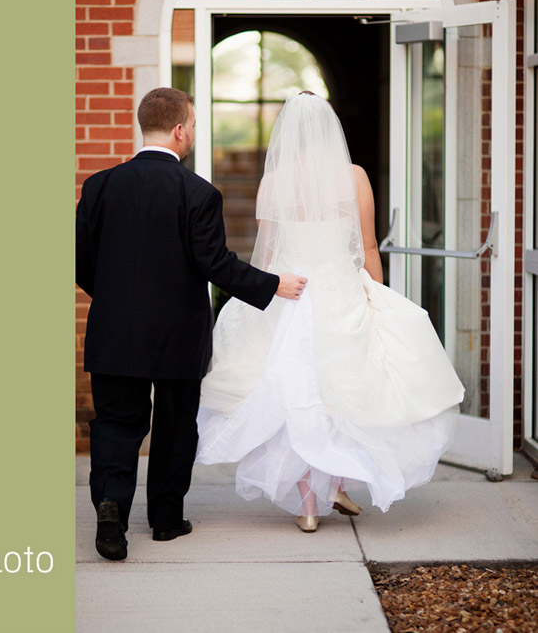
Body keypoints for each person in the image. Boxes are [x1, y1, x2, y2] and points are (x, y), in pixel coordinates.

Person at [195, 91, 464, 532]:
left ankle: (308, 505)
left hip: (289, 295)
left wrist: (261, 297)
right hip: (340, 292)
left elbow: (267, 253)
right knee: (344, 392)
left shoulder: (274, 181)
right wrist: (376, 294)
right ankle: (335, 481)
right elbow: (369, 244)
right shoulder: (354, 176)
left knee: (297, 396)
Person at [76, 87, 307, 560]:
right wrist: (272, 284)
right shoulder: (198, 192)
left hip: (114, 331)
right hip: (178, 334)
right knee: (176, 425)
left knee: (117, 424)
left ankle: (111, 508)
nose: (195, 133)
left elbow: (81, 262)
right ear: (180, 130)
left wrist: (119, 301)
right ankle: (165, 519)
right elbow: (215, 263)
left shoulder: (99, 186)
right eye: (195, 125)